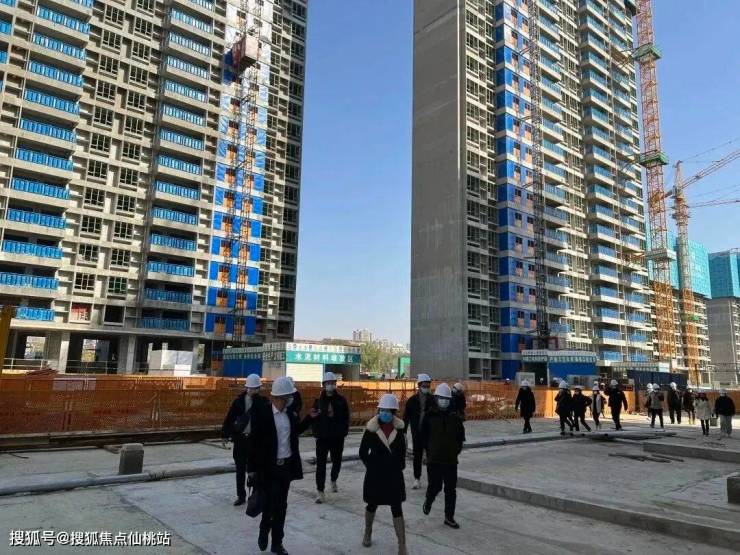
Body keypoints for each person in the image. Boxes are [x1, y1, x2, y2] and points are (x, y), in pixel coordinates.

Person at [247, 376, 311, 555]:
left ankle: (277, 543)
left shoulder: (290, 415)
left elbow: (296, 432)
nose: (291, 400)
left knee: (281, 506)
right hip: (269, 468)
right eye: (288, 397)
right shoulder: (263, 414)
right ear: (277, 398)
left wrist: (309, 419)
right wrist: (251, 469)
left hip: (286, 467)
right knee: (269, 505)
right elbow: (253, 442)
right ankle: (264, 529)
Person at [359, 393, 408, 555]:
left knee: (397, 507)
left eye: (388, 411)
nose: (385, 413)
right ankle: (368, 533)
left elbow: (402, 451)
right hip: (375, 476)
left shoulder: (399, 429)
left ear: (394, 412)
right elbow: (362, 452)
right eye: (382, 410)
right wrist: (372, 466)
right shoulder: (371, 429)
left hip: (394, 476)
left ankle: (402, 545)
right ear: (379, 410)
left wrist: (399, 466)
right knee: (372, 504)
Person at [421, 383, 465, 530]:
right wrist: (427, 452)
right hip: (434, 459)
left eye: (446, 398)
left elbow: (460, 437)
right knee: (435, 486)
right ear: (436, 398)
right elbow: (423, 436)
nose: (444, 401)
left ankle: (449, 517)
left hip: (451, 460)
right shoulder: (429, 416)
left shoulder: (455, 418)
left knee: (450, 490)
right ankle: (429, 501)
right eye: (441, 398)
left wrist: (456, 450)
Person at [221, 373, 267, 506]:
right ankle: (241, 495)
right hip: (241, 440)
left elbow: (266, 421)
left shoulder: (262, 402)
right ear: (247, 388)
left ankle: (255, 494)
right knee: (240, 469)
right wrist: (225, 434)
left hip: (255, 441)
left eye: (255, 388)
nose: (253, 390)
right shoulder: (239, 402)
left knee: (255, 469)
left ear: (259, 388)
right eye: (251, 388)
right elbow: (229, 418)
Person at [308, 372, 350, 504]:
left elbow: (346, 418)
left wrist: (343, 432)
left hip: (337, 438)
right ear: (324, 385)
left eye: (332, 383)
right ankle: (320, 491)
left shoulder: (341, 401)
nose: (330, 385)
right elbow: (314, 419)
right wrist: (316, 433)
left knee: (336, 461)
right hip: (322, 438)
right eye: (328, 383)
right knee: (321, 465)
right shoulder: (318, 402)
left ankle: (333, 479)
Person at [403, 373, 433, 489]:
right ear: (419, 385)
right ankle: (417, 478)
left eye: (428, 385)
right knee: (417, 456)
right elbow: (406, 417)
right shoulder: (412, 401)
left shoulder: (432, 400)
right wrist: (404, 432)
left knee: (431, 457)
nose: (426, 387)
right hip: (417, 433)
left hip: (430, 434)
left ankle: (431, 479)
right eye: (424, 385)